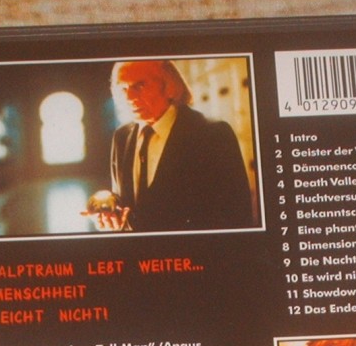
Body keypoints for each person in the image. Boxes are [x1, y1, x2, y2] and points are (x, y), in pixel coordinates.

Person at [89, 60, 253, 233]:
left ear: (169, 86)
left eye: (140, 85)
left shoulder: (212, 133)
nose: (129, 97)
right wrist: (109, 214)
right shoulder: (121, 137)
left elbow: (236, 215)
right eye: (122, 88)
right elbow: (125, 204)